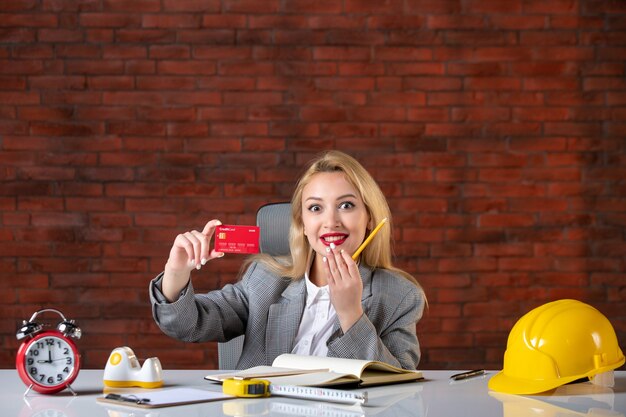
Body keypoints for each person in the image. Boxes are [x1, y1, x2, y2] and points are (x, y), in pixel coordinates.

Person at [149, 151, 426, 370]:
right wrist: (176, 272)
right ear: (302, 224)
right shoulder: (264, 279)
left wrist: (351, 315)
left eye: (346, 205)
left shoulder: (400, 297)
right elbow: (186, 325)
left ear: (369, 220)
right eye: (315, 208)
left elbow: (402, 388)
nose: (331, 222)